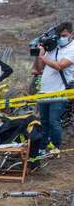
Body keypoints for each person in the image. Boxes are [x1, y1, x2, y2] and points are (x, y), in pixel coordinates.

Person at [31, 22, 73, 151]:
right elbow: (38, 69)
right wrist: (39, 55)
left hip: (60, 91)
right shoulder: (53, 48)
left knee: (54, 121)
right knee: (43, 121)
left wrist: (43, 58)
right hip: (44, 90)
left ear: (72, 34)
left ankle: (56, 147)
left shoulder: (72, 49)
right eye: (59, 36)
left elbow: (60, 65)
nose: (61, 38)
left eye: (64, 35)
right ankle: (43, 146)